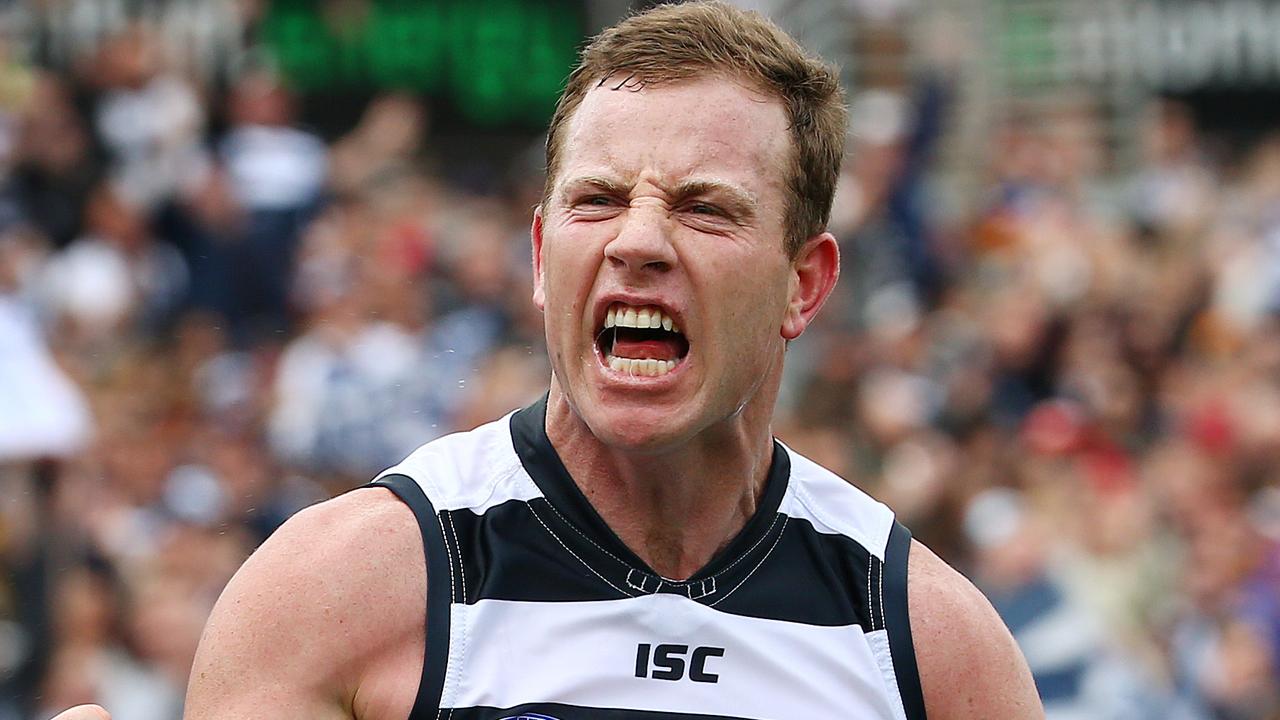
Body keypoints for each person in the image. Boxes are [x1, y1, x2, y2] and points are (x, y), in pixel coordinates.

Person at [53, 3, 1042, 719]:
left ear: (803, 284)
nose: (638, 242)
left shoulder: (924, 650)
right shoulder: (340, 597)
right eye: (596, 200)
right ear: (538, 257)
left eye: (703, 207)